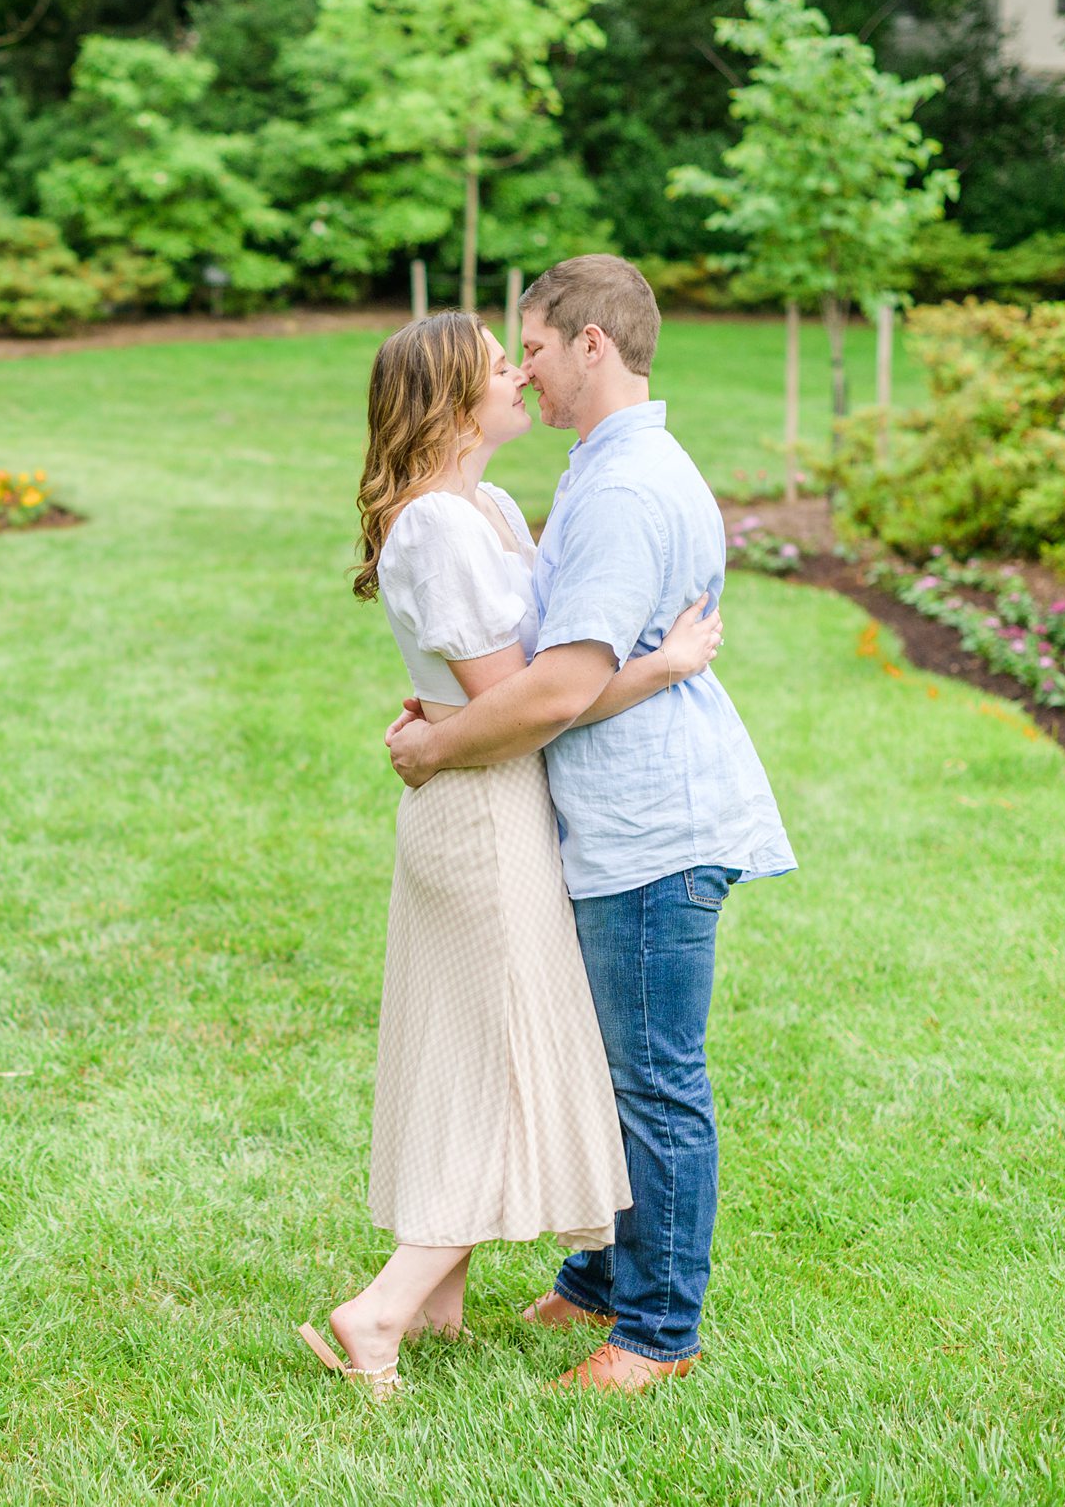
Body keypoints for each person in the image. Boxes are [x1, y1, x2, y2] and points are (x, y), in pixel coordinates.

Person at [383, 255, 797, 1395]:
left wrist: (434, 744)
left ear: (592, 345)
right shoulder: (603, 468)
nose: (525, 369)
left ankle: (657, 1332)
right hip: (607, 815)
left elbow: (561, 687)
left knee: (654, 1078)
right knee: (612, 1067)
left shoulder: (617, 488)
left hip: (650, 824)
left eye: (535, 346)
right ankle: (605, 1276)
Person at [296, 308, 726, 1402]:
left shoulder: (482, 505)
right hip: (484, 814)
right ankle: (381, 1308)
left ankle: (437, 1301)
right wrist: (663, 665)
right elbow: (527, 701)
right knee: (507, 1072)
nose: (519, 376)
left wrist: (444, 724)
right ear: (452, 400)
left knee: (481, 1055)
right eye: (500, 365)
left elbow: (522, 675)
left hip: (498, 800)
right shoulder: (438, 526)